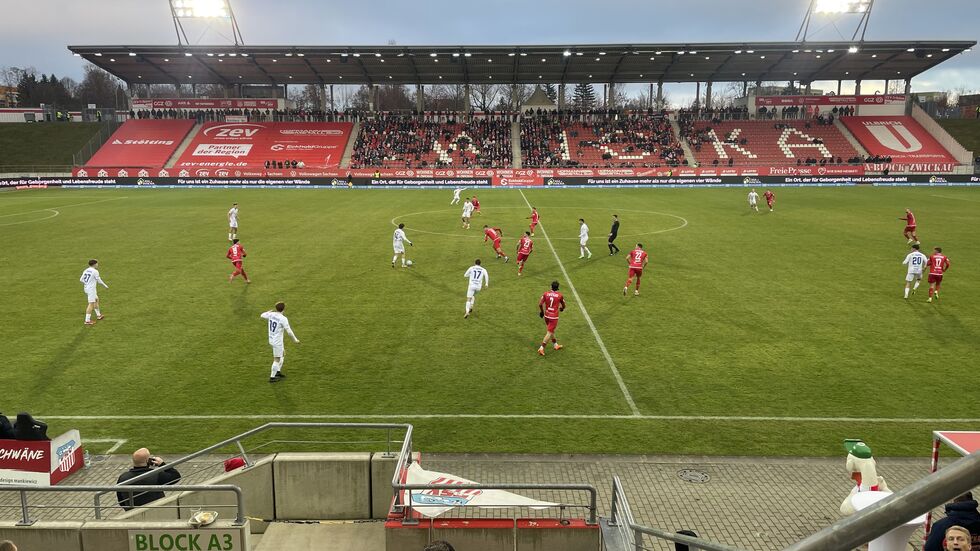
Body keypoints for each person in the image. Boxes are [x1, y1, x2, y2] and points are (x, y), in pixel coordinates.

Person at [116, 448, 182, 511]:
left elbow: (121, 501)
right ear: (148, 461)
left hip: (132, 513)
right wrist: (162, 464)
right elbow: (176, 476)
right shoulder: (156, 475)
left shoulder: (123, 478)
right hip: (156, 511)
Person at [260, 302, 299, 383]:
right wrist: (295, 340)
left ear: (276, 308)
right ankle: (272, 378)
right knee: (277, 359)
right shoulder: (283, 319)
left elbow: (262, 315)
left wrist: (268, 312)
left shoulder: (271, 314)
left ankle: (278, 371)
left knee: (283, 354)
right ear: (284, 309)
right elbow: (289, 332)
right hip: (277, 341)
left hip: (271, 339)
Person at [537, 280, 565, 356]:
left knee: (551, 330)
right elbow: (563, 304)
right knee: (549, 332)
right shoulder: (559, 295)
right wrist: (562, 308)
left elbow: (540, 304)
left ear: (551, 287)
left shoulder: (546, 294)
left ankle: (555, 345)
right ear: (557, 288)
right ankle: (541, 348)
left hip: (546, 315)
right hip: (554, 317)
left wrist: (542, 312)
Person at [80, 259, 109, 325]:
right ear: (94, 264)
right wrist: (105, 285)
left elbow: (81, 279)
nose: (98, 264)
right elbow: (99, 280)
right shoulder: (95, 271)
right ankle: (87, 321)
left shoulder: (86, 270)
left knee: (96, 299)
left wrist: (87, 283)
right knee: (91, 304)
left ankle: (99, 315)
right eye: (97, 263)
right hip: (91, 290)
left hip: (86, 288)